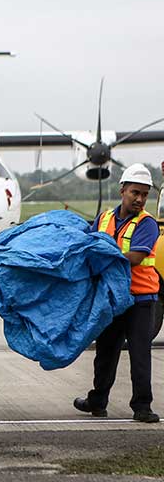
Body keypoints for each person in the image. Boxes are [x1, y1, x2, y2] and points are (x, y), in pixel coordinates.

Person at [74, 163, 160, 423]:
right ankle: (97, 401)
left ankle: (142, 407)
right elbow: (88, 243)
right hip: (111, 298)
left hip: (139, 300)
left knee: (140, 354)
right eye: (135, 192)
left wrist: (101, 258)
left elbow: (135, 257)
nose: (140, 199)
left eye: (145, 194)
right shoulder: (103, 219)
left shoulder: (147, 223)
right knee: (105, 352)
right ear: (122, 190)